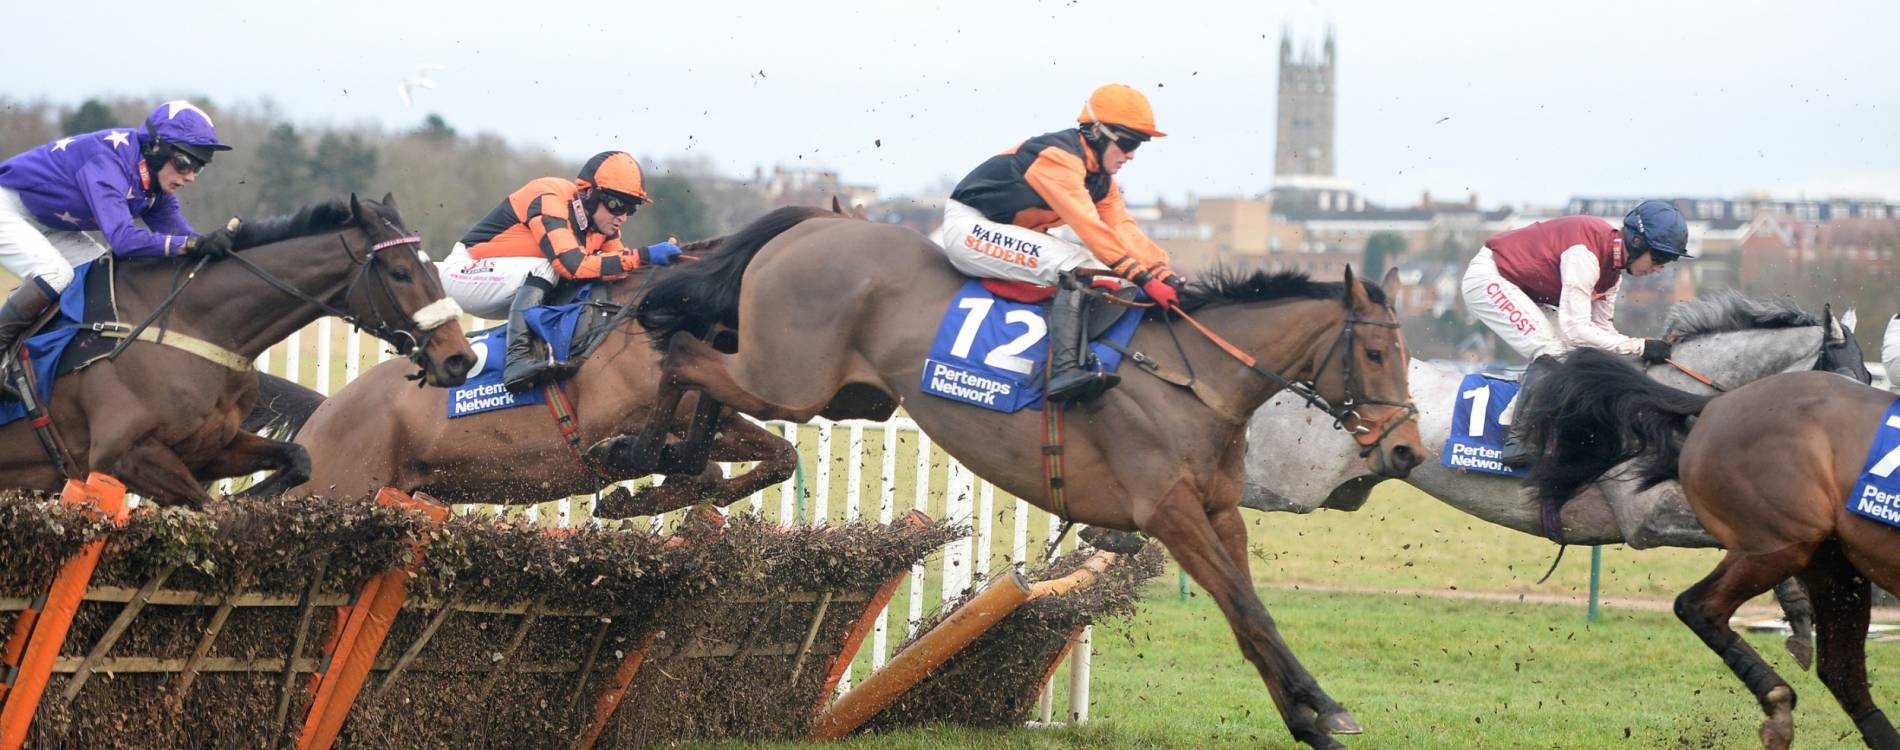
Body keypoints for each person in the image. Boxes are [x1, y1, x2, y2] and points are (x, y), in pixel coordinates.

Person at [935, 83, 1181, 402]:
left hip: (1006, 232)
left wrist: (1163, 272)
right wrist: (1143, 277)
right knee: (1077, 264)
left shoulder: (1102, 182)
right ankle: (1064, 369)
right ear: (1096, 132)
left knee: (1104, 273)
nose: (1132, 155)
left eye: (1139, 144)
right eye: (1128, 142)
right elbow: (1089, 228)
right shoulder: (1057, 159)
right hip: (969, 228)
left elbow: (1122, 229)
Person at [0, 100, 237, 396]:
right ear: (156, 148)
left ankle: (48, 357)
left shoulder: (155, 184)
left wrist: (220, 249)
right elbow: (123, 241)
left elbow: (182, 236)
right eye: (185, 163)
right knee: (55, 273)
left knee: (106, 275)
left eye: (198, 168)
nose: (190, 177)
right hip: (7, 207)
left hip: (47, 221)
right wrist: (190, 245)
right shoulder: (108, 160)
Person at [1460, 199, 1691, 464]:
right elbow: (1575, 330)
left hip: (1520, 288)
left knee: (1582, 355)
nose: (1660, 268)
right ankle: (1519, 440)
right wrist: (1639, 346)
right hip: (1489, 278)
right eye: (1660, 257)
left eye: (1668, 260)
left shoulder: (1612, 275)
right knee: (1552, 351)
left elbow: (1601, 332)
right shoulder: (1586, 254)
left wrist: (1640, 350)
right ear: (1637, 242)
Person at [438, 150, 682, 391]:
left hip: (511, 287)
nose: (622, 217)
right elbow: (571, 265)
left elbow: (617, 269)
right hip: (462, 274)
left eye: (631, 209)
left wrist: (655, 268)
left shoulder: (604, 227)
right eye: (616, 205)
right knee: (549, 266)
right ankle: (517, 362)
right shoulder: (549, 195)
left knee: (595, 281)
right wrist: (643, 255)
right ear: (588, 193)